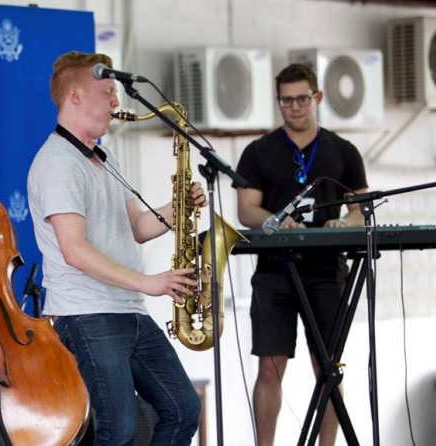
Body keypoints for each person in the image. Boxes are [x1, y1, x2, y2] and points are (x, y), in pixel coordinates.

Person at [27, 51, 204, 445]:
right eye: (106, 92)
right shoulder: (58, 162)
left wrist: (177, 208)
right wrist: (148, 282)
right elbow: (74, 250)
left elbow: (137, 228)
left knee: (183, 409)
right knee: (118, 430)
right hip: (87, 314)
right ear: (74, 96)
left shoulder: (105, 157)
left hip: (127, 309)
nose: (115, 103)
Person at [235, 63, 369, 446]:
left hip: (327, 271)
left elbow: (359, 210)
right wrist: (279, 221)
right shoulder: (258, 151)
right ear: (278, 102)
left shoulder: (343, 151)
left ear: (317, 98)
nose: (293, 107)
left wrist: (344, 223)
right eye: (285, 100)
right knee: (269, 367)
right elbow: (248, 210)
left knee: (328, 369)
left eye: (301, 99)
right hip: (274, 271)